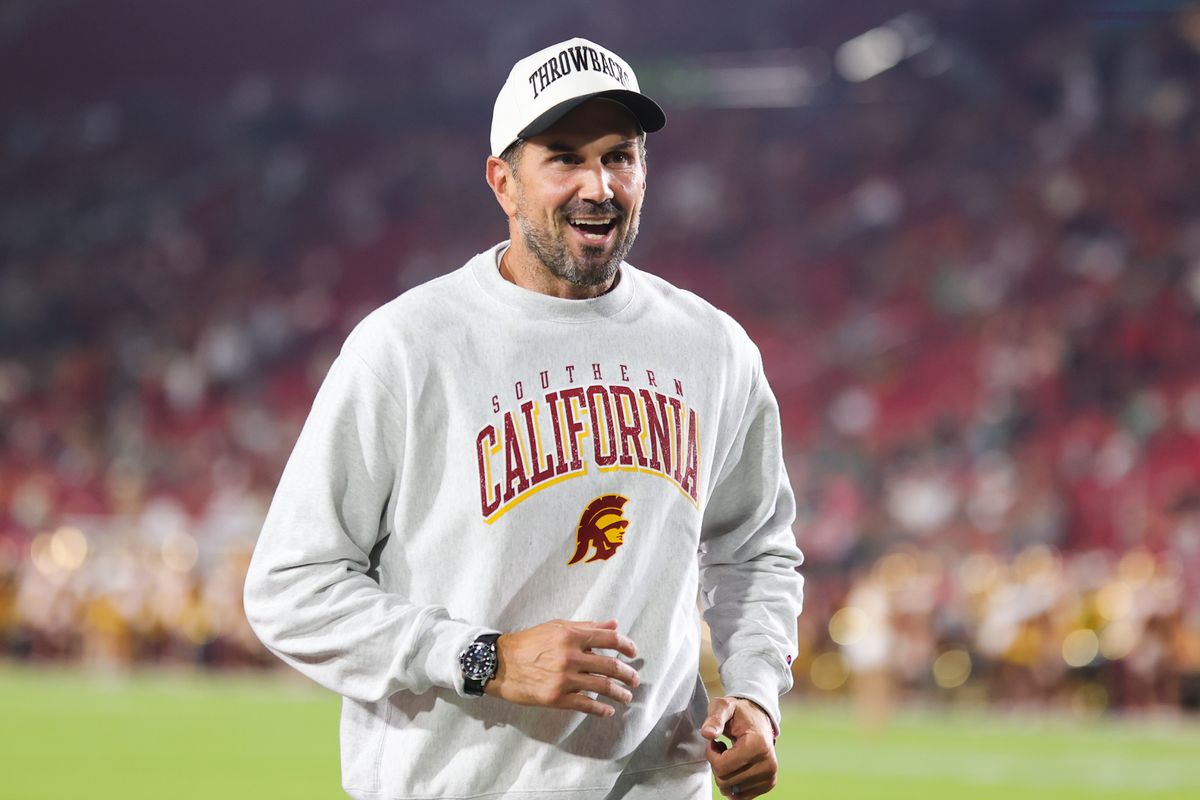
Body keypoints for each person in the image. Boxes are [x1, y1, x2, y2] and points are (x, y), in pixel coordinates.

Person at [243, 36, 804, 800]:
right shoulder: (406, 349)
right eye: (565, 157)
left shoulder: (714, 349)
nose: (599, 184)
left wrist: (756, 691)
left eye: (622, 156)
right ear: (504, 182)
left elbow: (756, 549)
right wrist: (486, 658)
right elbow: (289, 586)